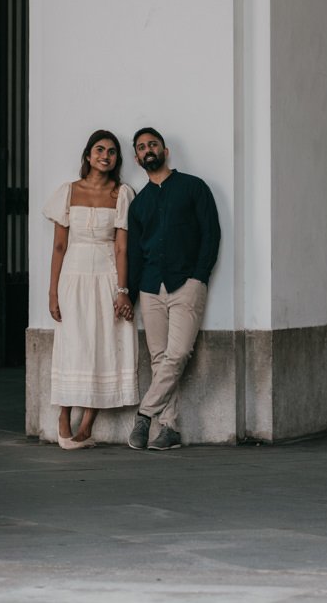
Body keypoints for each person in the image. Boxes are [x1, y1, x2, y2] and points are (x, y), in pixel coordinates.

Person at [126, 127, 221, 451]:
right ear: (137, 158)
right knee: (159, 358)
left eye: (153, 144)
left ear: (165, 152)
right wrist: (129, 294)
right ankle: (169, 428)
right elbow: (136, 254)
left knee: (178, 354)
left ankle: (144, 414)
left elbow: (211, 234)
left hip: (186, 284)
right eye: (141, 147)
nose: (148, 150)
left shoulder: (193, 187)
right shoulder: (139, 204)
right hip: (151, 287)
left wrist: (199, 277)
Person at [44, 129, 138, 449]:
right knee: (73, 344)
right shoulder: (68, 192)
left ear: (117, 159)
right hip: (73, 276)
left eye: (111, 152)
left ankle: (87, 425)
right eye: (99, 150)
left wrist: (122, 290)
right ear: (88, 155)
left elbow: (122, 247)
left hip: (107, 275)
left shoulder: (122, 194)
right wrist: (53, 292)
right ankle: (63, 417)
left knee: (104, 342)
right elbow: (59, 246)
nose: (105, 156)